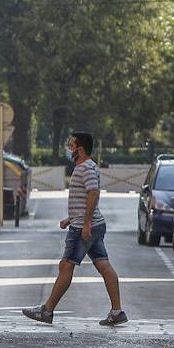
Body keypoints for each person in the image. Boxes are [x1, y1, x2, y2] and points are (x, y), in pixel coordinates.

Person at [23, 131, 127, 326]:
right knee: (103, 265)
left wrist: (84, 223)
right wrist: (70, 218)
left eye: (71, 145)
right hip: (90, 223)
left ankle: (47, 311)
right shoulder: (90, 166)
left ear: (80, 149)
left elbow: (93, 194)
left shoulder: (83, 169)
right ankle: (117, 311)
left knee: (66, 265)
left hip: (84, 228)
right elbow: (85, 199)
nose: (69, 148)